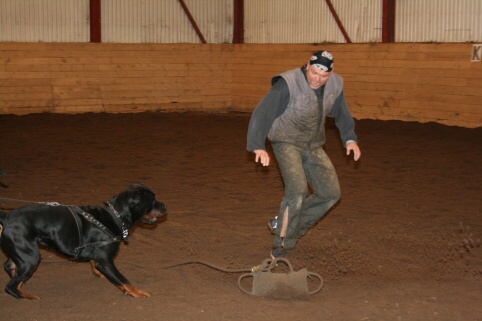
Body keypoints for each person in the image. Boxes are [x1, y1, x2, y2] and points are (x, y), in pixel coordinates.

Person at [247, 50, 361, 259]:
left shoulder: (335, 84)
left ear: (331, 73)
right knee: (297, 191)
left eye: (323, 76)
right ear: (307, 65)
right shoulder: (288, 83)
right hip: (286, 142)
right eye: (314, 73)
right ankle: (280, 245)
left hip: (314, 144)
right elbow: (263, 112)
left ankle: (285, 224)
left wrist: (350, 138)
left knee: (330, 193)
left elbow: (342, 112)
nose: (317, 79)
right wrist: (258, 145)